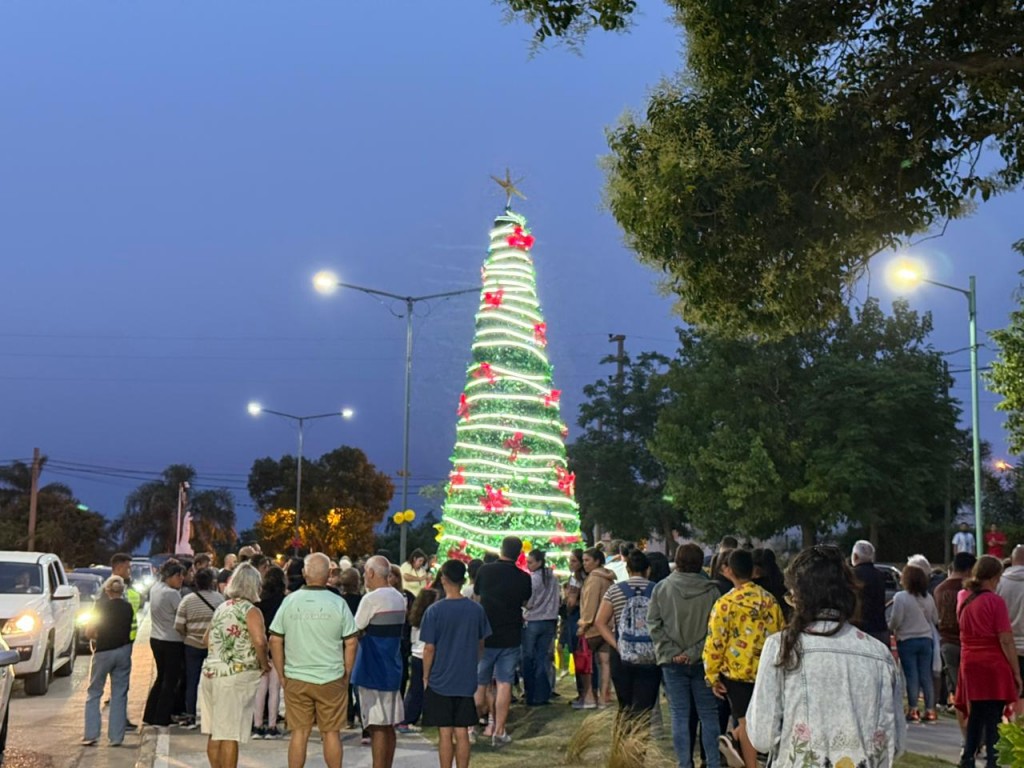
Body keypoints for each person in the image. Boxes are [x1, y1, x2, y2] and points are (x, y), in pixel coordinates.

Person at [746, 545, 906, 767]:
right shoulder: (880, 655)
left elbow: (761, 736)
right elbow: (895, 743)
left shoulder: (781, 647)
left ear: (799, 597)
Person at [269, 552, 359, 768]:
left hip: (297, 677)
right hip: (331, 677)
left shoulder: (289, 601)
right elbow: (351, 642)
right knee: (331, 733)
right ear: (329, 574)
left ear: (303, 573)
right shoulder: (338, 603)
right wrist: (346, 672)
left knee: (299, 733)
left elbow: (274, 639)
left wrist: (281, 673)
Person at [703, 548, 784, 768]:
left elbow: (715, 641)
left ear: (729, 571)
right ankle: (734, 740)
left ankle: (743, 754)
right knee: (757, 720)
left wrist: (711, 675)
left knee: (745, 722)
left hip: (736, 674)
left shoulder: (725, 604)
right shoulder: (769, 601)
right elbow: (781, 633)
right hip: (766, 671)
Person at [648, 543, 722, 768]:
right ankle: (713, 763)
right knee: (709, 716)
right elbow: (715, 630)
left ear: (677, 561)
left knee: (679, 715)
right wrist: (693, 652)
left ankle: (684, 763)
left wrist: (672, 652)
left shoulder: (662, 588)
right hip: (703, 662)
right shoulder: (712, 591)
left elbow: (653, 623)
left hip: (672, 663)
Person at [422, 560, 492, 768]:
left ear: (443, 579)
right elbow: (481, 642)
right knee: (462, 731)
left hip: (440, 678)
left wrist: (426, 675)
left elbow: (429, 648)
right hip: (465, 676)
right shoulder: (476, 610)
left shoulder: (434, 611)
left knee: (445, 732)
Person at [199, 563, 270, 768]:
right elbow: (260, 640)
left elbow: (206, 639)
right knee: (230, 734)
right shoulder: (251, 611)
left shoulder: (223, 607)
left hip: (211, 673)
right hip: (234, 677)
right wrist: (264, 663)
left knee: (215, 733)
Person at [956, 555, 1022, 768]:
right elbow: (1005, 639)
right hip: (992, 662)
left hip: (969, 661)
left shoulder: (964, 598)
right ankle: (993, 760)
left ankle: (968, 756)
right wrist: (1016, 672)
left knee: (975, 713)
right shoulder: (995, 602)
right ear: (995, 576)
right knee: (993, 714)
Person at [474, 536, 532, 744]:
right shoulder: (524, 577)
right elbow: (526, 601)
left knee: (480, 683)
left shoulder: (485, 571)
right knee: (504, 683)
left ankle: (471, 725)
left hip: (486, 634)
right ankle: (499, 730)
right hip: (511, 635)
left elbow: (478, 595)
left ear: (501, 549)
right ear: (519, 554)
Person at [353, 556, 407, 768]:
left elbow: (355, 628)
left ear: (372, 573)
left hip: (371, 667)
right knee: (389, 725)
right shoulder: (399, 598)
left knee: (376, 725)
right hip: (392, 666)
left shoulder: (371, 599)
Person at [593, 549, 660, 720]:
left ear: (628, 570)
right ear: (648, 570)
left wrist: (617, 644)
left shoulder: (615, 591)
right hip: (650, 655)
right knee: (644, 709)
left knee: (625, 707)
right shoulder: (657, 591)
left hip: (622, 655)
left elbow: (600, 622)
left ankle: (624, 744)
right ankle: (641, 744)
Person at [81, 576, 134, 747]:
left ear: (107, 590)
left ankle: (91, 735)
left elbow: (89, 631)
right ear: (122, 590)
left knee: (95, 692)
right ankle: (116, 737)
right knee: (119, 694)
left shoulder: (100, 607)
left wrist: (98, 636)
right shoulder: (128, 607)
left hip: (104, 652)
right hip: (123, 652)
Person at [889, 563, 939, 723]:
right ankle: (930, 710)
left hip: (907, 638)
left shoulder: (901, 597)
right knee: (926, 675)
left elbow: (896, 619)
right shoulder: (928, 598)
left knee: (911, 675)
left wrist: (891, 628)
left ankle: (913, 709)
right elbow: (935, 618)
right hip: (926, 639)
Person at [175, 567, 224, 729]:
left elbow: (179, 625)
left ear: (196, 582)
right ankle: (215, 713)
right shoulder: (220, 599)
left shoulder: (187, 600)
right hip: (213, 645)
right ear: (212, 582)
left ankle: (190, 715)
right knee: (215, 680)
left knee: (192, 681)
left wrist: (189, 634)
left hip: (192, 645)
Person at [144, 561, 186, 727]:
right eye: (178, 576)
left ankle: (150, 714)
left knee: (161, 678)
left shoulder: (155, 588)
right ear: (170, 576)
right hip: (172, 641)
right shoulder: (172, 594)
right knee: (170, 680)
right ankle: (162, 717)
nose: (181, 579)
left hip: (156, 638)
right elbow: (182, 615)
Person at [935, 552, 977, 718]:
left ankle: (966, 730)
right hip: (969, 642)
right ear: (969, 569)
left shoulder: (940, 589)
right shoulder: (970, 589)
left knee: (959, 689)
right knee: (973, 689)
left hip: (947, 642)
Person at [576, 547, 616, 710]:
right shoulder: (609, 578)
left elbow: (590, 604)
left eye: (587, 560)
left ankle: (589, 697)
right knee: (605, 663)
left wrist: (584, 624)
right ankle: (604, 697)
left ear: (597, 561)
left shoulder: (593, 579)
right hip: (608, 626)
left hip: (592, 627)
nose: (584, 564)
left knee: (585, 663)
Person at [398, 588, 440, 733]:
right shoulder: (429, 619)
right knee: (417, 690)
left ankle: (411, 717)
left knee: (416, 689)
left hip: (416, 654)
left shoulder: (415, 618)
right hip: (424, 656)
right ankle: (407, 719)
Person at [522, 549, 560, 707]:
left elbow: (529, 602)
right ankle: (543, 693)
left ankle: (531, 694)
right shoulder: (553, 578)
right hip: (550, 620)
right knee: (543, 658)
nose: (528, 565)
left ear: (538, 562)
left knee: (529, 658)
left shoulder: (533, 579)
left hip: (533, 620)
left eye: (530, 562)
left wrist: (524, 605)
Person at [254, 565, 287, 739]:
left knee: (261, 687)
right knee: (275, 688)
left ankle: (257, 724)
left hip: (262, 646)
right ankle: (272, 726)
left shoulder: (259, 602)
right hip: (279, 646)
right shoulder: (286, 601)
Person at [850, 540, 889, 646]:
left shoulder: (851, 575)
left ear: (855, 556)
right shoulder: (880, 575)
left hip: (858, 628)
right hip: (880, 627)